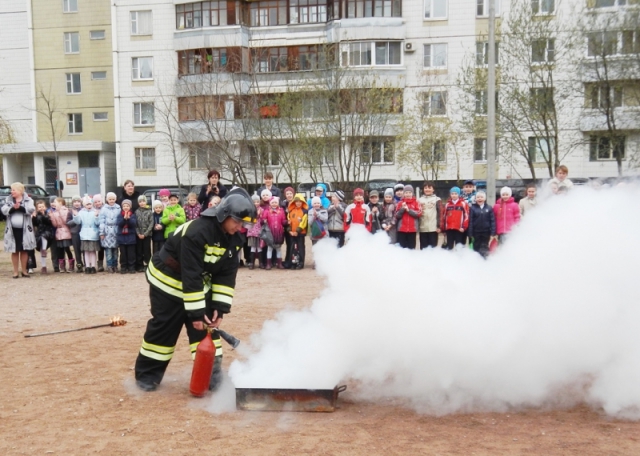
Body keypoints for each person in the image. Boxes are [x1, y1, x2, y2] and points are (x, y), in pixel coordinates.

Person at [134, 187, 257, 392]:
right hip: (168, 281)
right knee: (164, 328)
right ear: (224, 215)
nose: (239, 227)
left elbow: (226, 274)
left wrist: (219, 307)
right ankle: (147, 376)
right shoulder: (197, 232)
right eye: (237, 221)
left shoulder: (234, 239)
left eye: (243, 224)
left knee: (207, 330)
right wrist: (196, 313)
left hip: (196, 283)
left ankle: (212, 376)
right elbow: (190, 274)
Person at [1, 182, 36, 278]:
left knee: (24, 250)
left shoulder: (29, 200)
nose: (11, 192)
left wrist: (20, 208)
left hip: (25, 230)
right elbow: (4, 210)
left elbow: (31, 209)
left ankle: (24, 271)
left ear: (20, 191)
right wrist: (12, 208)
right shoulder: (8, 200)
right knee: (14, 251)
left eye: (13, 190)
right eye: (11, 190)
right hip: (12, 230)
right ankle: (15, 272)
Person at [73, 196, 101, 274]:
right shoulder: (81, 212)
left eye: (90, 204)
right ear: (84, 205)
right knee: (86, 251)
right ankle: (87, 266)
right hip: (84, 234)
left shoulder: (95, 211)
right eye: (87, 204)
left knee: (92, 251)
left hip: (93, 234)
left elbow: (97, 223)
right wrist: (76, 216)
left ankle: (93, 266)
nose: (89, 206)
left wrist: (96, 216)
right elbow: (78, 222)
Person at [261, 196, 288, 270]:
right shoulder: (267, 211)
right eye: (272, 202)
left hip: (279, 232)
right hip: (270, 232)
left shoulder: (281, 210)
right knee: (269, 248)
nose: (274, 204)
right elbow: (263, 219)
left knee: (278, 248)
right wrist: (263, 221)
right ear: (270, 203)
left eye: (275, 202)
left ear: (278, 203)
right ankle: (268, 264)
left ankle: (279, 263)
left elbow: (283, 220)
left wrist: (286, 222)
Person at [50, 197, 75, 273]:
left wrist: (60, 211)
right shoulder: (54, 212)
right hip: (59, 233)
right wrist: (52, 217)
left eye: (55, 202)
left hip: (66, 232)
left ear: (60, 203)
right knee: (60, 250)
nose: (54, 203)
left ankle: (71, 265)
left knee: (67, 249)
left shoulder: (66, 210)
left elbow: (65, 221)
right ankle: (62, 266)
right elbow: (55, 224)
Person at [468, 191, 496, 258]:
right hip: (476, 232)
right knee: (476, 247)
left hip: (486, 232)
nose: (479, 198)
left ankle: (485, 261)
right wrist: (470, 233)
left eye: (481, 197)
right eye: (478, 197)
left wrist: (493, 233)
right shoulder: (472, 208)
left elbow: (492, 221)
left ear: (485, 198)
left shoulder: (489, 208)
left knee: (485, 247)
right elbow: (470, 221)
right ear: (476, 198)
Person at [99, 192, 121, 273]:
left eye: (113, 199)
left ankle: (115, 265)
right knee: (108, 251)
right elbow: (101, 221)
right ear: (107, 200)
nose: (111, 201)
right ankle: (109, 265)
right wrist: (101, 232)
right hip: (107, 231)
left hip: (115, 231)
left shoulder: (118, 208)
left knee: (115, 251)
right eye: (110, 199)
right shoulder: (104, 209)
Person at [395, 184, 422, 250]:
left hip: (412, 230)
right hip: (402, 229)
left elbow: (418, 213)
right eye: (406, 192)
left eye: (410, 192)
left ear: (412, 193)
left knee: (411, 248)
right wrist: (402, 209)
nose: (408, 194)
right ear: (403, 193)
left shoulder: (416, 202)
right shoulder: (400, 203)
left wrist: (408, 210)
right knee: (401, 248)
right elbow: (397, 215)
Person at [418, 182, 442, 249]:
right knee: (423, 248)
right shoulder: (419, 200)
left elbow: (440, 214)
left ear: (433, 189)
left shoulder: (437, 199)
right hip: (423, 228)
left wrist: (439, 226)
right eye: (425, 188)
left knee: (433, 248)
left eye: (429, 188)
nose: (427, 189)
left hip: (433, 229)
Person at [287, 194, 308, 269]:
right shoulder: (291, 211)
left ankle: (300, 263)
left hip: (300, 233)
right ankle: (293, 262)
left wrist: (297, 231)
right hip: (292, 233)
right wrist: (289, 230)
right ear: (294, 202)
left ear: (302, 202)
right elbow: (289, 221)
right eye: (296, 201)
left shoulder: (304, 211)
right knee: (293, 248)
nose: (298, 203)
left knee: (300, 248)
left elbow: (304, 222)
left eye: (300, 202)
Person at [33, 200, 53, 274]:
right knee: (41, 250)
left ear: (45, 207)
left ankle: (44, 249)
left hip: (48, 232)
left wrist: (45, 215)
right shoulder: (36, 215)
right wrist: (34, 218)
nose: (41, 208)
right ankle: (43, 266)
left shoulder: (48, 214)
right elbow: (35, 224)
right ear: (37, 208)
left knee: (44, 236)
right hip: (39, 232)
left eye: (43, 206)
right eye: (39, 207)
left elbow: (49, 222)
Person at [308, 196, 328, 269]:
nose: (316, 204)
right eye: (315, 203)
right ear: (312, 204)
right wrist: (313, 216)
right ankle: (316, 262)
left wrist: (318, 215)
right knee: (315, 248)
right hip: (314, 233)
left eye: (318, 203)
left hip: (323, 233)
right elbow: (309, 223)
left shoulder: (324, 210)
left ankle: (323, 263)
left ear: (320, 204)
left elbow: (325, 220)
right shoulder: (310, 211)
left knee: (323, 249)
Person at [135, 195, 153, 271]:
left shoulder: (149, 212)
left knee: (147, 250)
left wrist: (145, 234)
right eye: (140, 202)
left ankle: (147, 264)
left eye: (143, 201)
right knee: (139, 250)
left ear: (146, 202)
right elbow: (135, 224)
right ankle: (139, 265)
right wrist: (138, 233)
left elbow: (151, 223)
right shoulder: (136, 212)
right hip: (139, 234)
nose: (142, 203)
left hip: (147, 235)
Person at [246, 194, 263, 270]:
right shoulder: (249, 210)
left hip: (259, 231)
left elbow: (264, 219)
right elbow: (248, 219)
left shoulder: (262, 209)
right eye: (254, 202)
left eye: (257, 201)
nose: (256, 203)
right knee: (253, 247)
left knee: (259, 247)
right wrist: (256, 214)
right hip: (252, 231)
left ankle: (261, 262)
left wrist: (260, 215)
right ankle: (252, 262)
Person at [68, 195, 84, 272]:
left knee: (84, 249)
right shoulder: (70, 211)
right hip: (75, 233)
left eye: (78, 201)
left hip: (83, 232)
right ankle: (79, 264)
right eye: (75, 202)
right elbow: (68, 222)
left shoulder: (84, 210)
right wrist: (76, 219)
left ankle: (87, 264)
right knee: (77, 250)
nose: (77, 203)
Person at [281, 186, 296, 266]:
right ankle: (287, 260)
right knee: (288, 244)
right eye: (287, 194)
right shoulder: (283, 204)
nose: (289, 195)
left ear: (293, 194)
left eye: (290, 193)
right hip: (287, 226)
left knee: (294, 245)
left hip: (295, 226)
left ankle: (292, 261)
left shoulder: (296, 203)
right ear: (285, 195)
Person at [92, 194, 106, 272]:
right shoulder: (93, 210)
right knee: (100, 249)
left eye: (99, 201)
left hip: (105, 231)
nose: (98, 203)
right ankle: (100, 263)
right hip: (96, 231)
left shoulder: (105, 208)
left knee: (105, 248)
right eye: (96, 202)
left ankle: (110, 264)